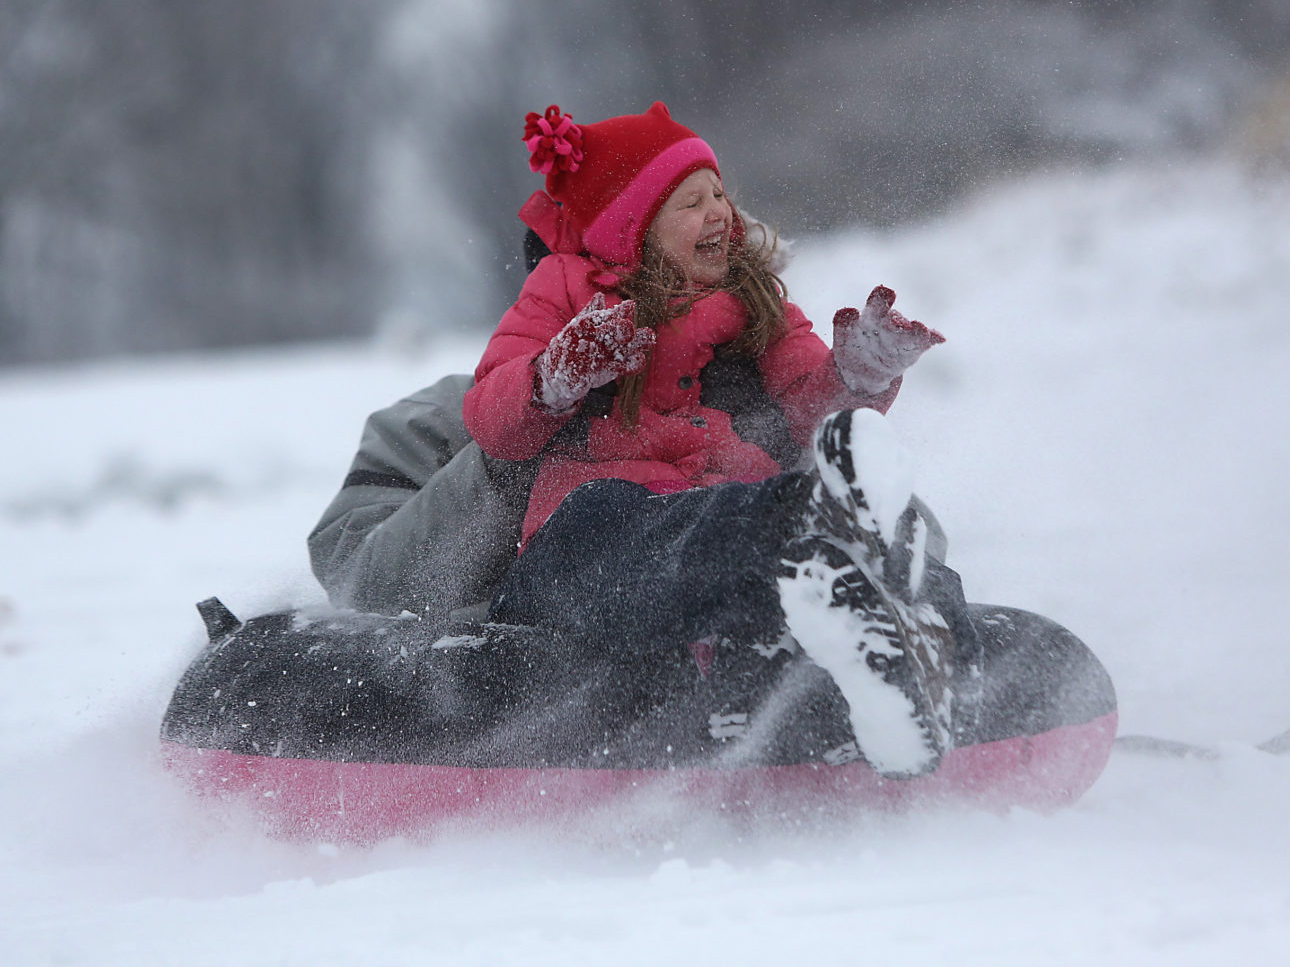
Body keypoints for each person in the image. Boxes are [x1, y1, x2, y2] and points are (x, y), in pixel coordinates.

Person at [309, 103, 980, 778]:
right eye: (692, 202)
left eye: (720, 195)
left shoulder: (756, 335)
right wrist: (549, 395)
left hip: (729, 548)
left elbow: (821, 410)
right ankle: (810, 549)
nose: (720, 212)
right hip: (580, 574)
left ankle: (904, 642)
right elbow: (365, 573)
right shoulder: (456, 407)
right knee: (607, 520)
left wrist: (857, 381)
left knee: (842, 513)